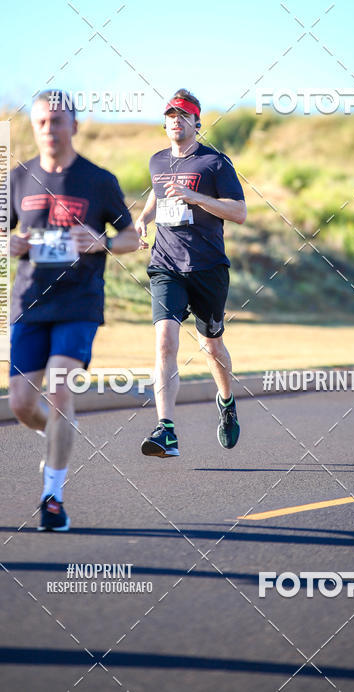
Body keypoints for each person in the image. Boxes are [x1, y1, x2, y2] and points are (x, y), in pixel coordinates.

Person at [8, 90, 139, 529]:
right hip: (29, 303)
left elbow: (132, 237)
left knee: (60, 389)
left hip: (79, 302)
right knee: (22, 404)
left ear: (74, 126)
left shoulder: (98, 180)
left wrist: (103, 241)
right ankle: (58, 435)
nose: (50, 129)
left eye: (58, 121)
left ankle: (53, 498)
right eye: (42, 122)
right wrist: (8, 243)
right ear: (34, 127)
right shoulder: (18, 178)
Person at [135, 89, 247, 458]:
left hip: (208, 266)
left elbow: (239, 212)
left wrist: (196, 197)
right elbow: (157, 193)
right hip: (166, 265)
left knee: (211, 344)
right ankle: (165, 430)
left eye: (183, 115)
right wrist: (143, 218)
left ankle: (226, 402)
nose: (176, 121)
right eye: (170, 115)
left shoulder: (215, 163)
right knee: (165, 341)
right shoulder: (157, 160)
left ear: (197, 123)